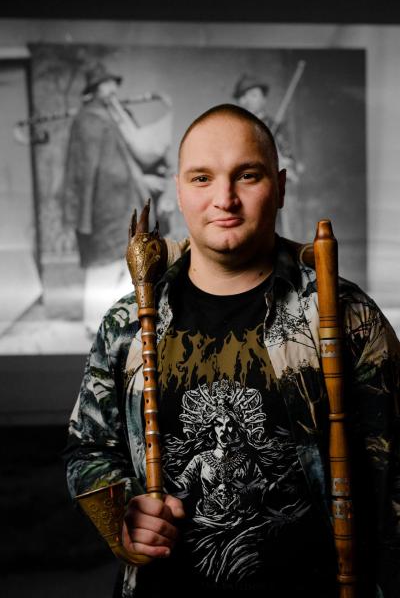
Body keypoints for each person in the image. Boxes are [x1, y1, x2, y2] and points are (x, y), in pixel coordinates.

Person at [65, 103, 400, 598]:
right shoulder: (127, 323)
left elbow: (394, 475)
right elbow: (88, 449)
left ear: (280, 187)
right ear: (178, 190)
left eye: (247, 176)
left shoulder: (346, 316)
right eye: (202, 179)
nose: (225, 199)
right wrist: (123, 517)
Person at [62, 61, 172, 336]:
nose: (112, 89)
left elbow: (136, 157)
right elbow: (85, 171)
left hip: (125, 202)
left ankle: (118, 321)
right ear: (95, 89)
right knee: (104, 264)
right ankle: (93, 323)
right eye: (106, 84)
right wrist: (82, 214)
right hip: (103, 207)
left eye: (113, 84)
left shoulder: (116, 116)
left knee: (129, 262)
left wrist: (144, 180)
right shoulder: (88, 121)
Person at [233, 73, 302, 239]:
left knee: (280, 232)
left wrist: (283, 163)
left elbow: (288, 158)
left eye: (253, 95)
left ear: (263, 99)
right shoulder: (234, 129)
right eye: (243, 96)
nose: (248, 100)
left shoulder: (275, 127)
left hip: (272, 190)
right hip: (246, 191)